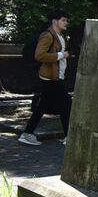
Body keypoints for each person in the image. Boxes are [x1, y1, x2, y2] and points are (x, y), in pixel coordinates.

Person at [19, 9, 73, 146]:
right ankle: (69, 137)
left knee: (43, 106)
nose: (66, 22)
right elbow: (39, 55)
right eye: (63, 20)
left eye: (66, 20)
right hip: (51, 78)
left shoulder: (59, 36)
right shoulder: (47, 36)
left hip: (56, 77)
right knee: (66, 105)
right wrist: (62, 55)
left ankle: (27, 133)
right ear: (54, 22)